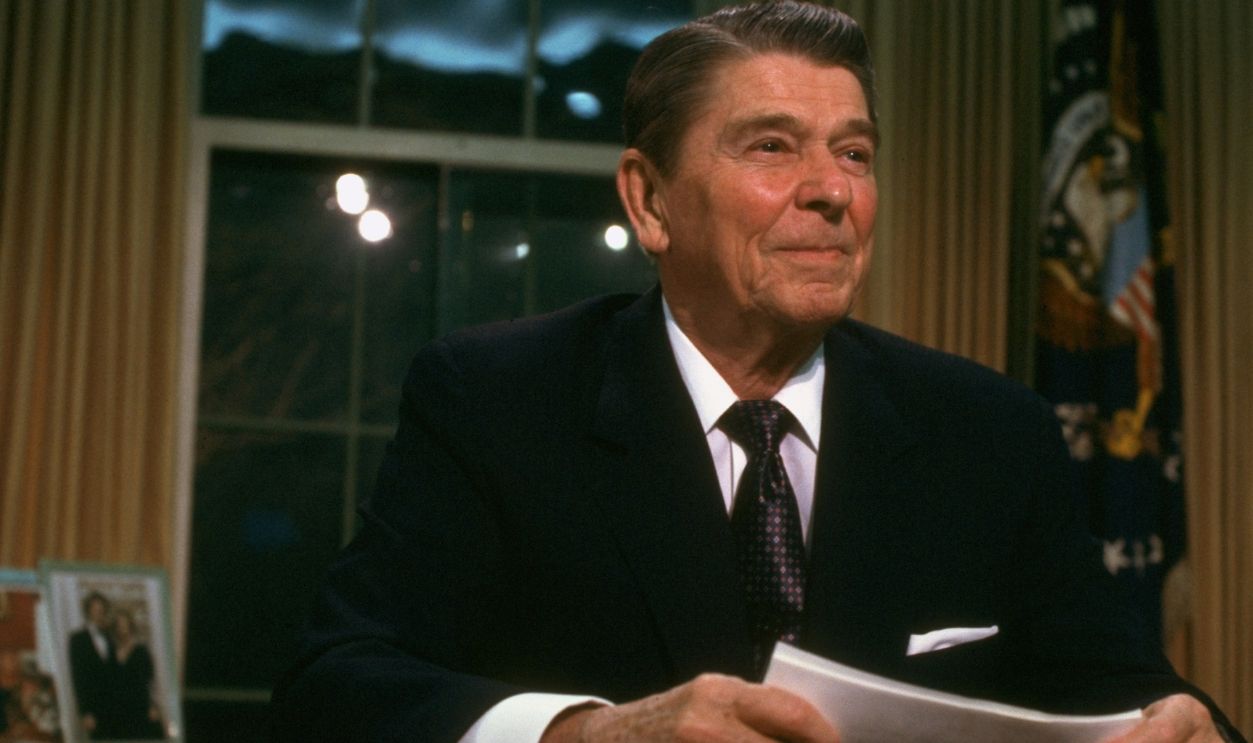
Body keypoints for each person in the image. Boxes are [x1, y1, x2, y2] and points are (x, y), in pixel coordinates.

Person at [271, 3, 1242, 742]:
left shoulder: (986, 430)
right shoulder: (494, 399)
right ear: (648, 202)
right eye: (771, 147)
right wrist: (590, 732)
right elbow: (334, 684)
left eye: (853, 152)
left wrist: (1182, 721)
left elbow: (1128, 692)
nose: (830, 190)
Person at [105, 610, 164, 740]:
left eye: (125, 624)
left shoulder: (141, 651)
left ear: (131, 626)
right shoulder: (111, 653)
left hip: (140, 706)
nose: (122, 628)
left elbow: (149, 681)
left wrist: (153, 706)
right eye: (119, 625)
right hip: (119, 709)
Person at [67, 592, 113, 739]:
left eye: (101, 608)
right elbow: (78, 677)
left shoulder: (110, 635)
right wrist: (85, 713)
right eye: (95, 608)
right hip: (93, 707)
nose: (99, 612)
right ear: (88, 611)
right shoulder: (77, 639)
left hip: (114, 706)